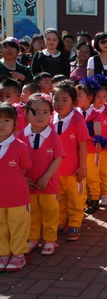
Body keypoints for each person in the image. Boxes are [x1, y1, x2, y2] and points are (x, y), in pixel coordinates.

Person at [17, 94, 64, 255]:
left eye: (45, 112)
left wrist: (46, 177)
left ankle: (50, 240)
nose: (41, 116)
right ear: (26, 114)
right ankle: (32, 239)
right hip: (28, 186)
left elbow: (58, 158)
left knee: (50, 212)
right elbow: (15, 161)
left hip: (48, 185)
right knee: (31, 213)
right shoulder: (20, 136)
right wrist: (23, 178)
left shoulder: (53, 135)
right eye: (36, 111)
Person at [52, 82, 90, 241]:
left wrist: (82, 166)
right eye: (56, 99)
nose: (59, 103)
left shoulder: (77, 119)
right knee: (59, 197)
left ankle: (75, 223)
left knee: (75, 197)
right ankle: (60, 222)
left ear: (74, 103)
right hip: (56, 169)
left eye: (64, 100)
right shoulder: (50, 118)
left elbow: (82, 145)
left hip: (73, 169)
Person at [0, 103, 32, 272]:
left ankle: (18, 254)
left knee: (18, 225)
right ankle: (3, 253)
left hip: (18, 197)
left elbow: (24, 167)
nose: (1, 124)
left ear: (14, 124)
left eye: (6, 120)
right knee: (1, 226)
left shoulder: (20, 146)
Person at [76, 79, 103, 214]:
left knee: (92, 174)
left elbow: (97, 127)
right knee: (81, 176)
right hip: (78, 150)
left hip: (91, 150)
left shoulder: (96, 114)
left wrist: (98, 140)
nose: (76, 98)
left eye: (79, 95)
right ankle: (82, 201)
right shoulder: (74, 113)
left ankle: (95, 198)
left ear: (89, 98)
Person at [92, 78, 107, 207]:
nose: (101, 99)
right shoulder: (89, 111)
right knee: (92, 172)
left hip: (105, 148)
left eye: (104, 97)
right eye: (98, 96)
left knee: (103, 171)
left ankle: (104, 194)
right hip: (91, 149)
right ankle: (92, 194)